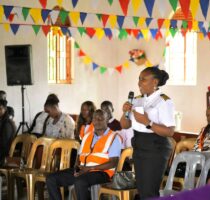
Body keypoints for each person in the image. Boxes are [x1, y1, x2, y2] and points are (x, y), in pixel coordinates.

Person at [120, 67, 175, 199]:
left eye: (143, 79)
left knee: (149, 192)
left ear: (155, 82)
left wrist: (148, 122)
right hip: (139, 146)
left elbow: (170, 131)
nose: (139, 83)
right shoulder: (137, 99)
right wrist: (125, 112)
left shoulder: (164, 101)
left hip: (155, 148)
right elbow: (124, 125)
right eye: (139, 79)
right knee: (142, 190)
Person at [46, 109, 122, 200]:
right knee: (51, 179)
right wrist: (77, 168)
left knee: (80, 182)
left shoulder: (113, 137)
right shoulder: (87, 136)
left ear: (107, 120)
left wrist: (90, 168)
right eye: (95, 119)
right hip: (83, 170)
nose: (97, 121)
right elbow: (79, 156)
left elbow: (113, 162)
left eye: (101, 119)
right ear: (92, 120)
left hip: (103, 173)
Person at [0, 99, 16, 166]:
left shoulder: (7, 124)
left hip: (5, 153)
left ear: (5, 109)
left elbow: (4, 143)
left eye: (0, 109)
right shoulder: (2, 121)